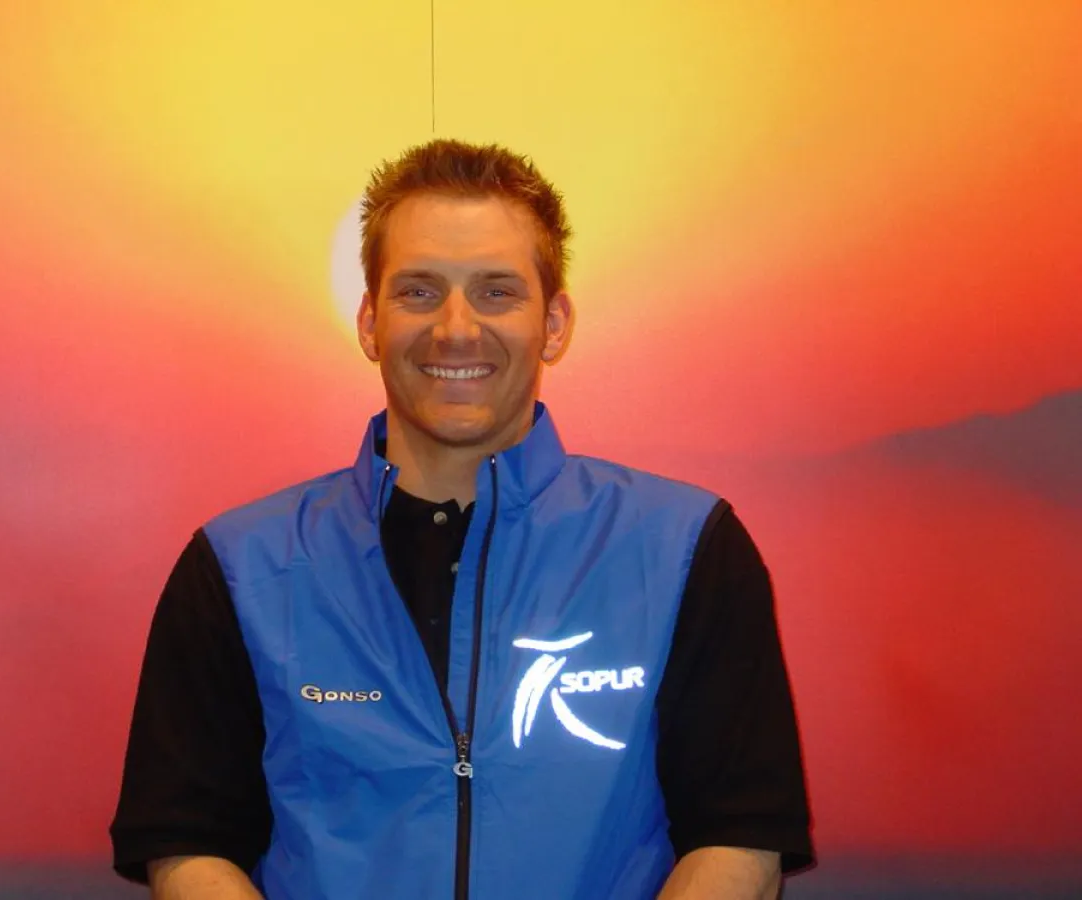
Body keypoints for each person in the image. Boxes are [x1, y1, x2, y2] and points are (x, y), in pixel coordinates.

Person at [110, 138, 814, 899]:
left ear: (553, 323)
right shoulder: (240, 567)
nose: (455, 327)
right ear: (370, 321)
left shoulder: (685, 549)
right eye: (418, 291)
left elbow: (740, 837)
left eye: (496, 292)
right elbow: (187, 844)